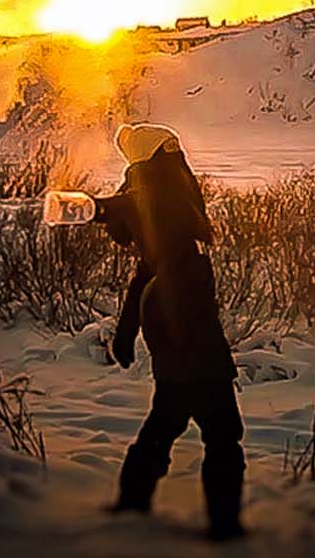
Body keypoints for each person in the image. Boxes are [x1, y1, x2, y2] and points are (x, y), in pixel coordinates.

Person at [92, 122, 244, 541]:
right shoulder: (163, 194)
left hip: (182, 341)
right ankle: (222, 526)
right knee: (217, 431)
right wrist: (127, 330)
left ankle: (134, 504)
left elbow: (143, 263)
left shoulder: (157, 196)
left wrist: (128, 331)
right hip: (190, 342)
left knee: (170, 422)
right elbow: (145, 257)